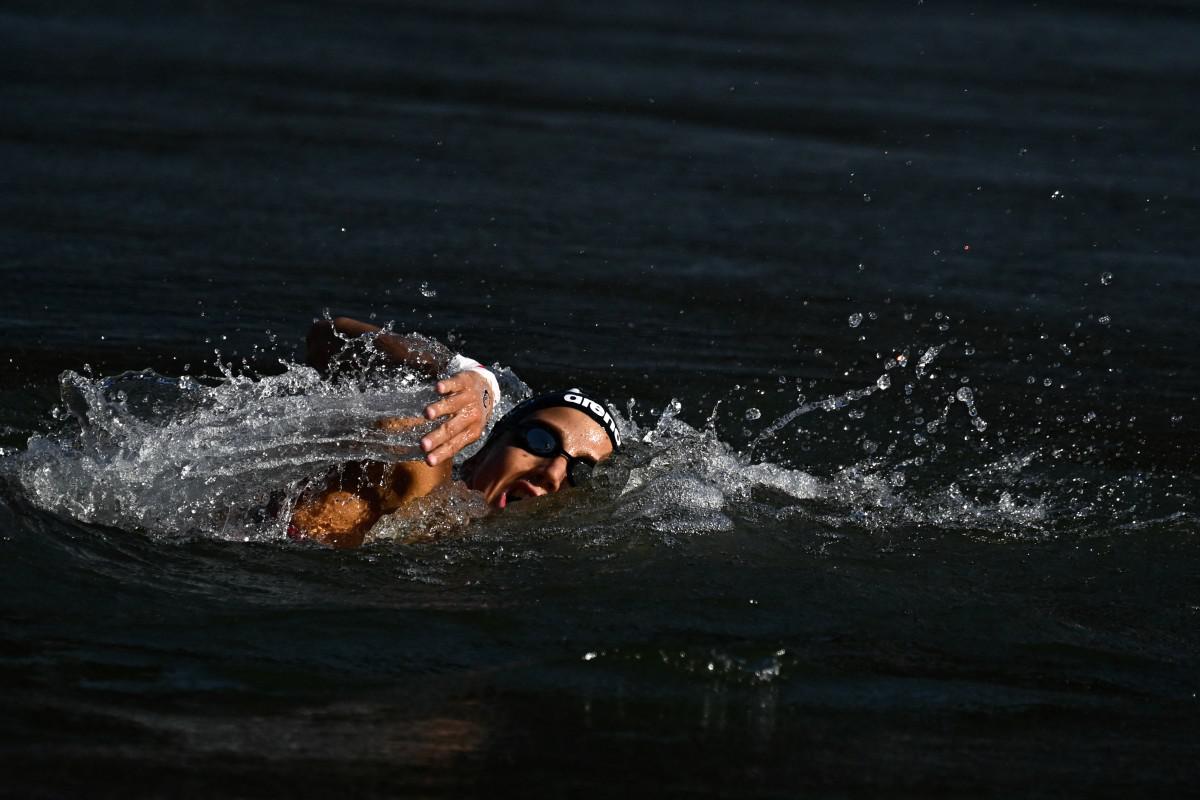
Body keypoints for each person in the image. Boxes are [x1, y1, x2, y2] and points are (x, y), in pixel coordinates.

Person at [288, 317, 622, 548]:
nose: (553, 473)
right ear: (481, 452)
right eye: (541, 441)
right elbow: (327, 338)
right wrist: (465, 373)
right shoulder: (418, 465)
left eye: (580, 471)